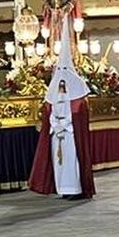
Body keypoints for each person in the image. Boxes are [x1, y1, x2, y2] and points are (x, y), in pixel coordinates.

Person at [28, 29, 93, 200]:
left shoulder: (78, 99)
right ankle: (62, 188)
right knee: (59, 162)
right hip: (56, 134)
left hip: (70, 135)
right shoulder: (52, 96)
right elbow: (48, 112)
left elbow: (79, 118)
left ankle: (75, 189)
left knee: (71, 161)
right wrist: (55, 125)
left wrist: (65, 125)